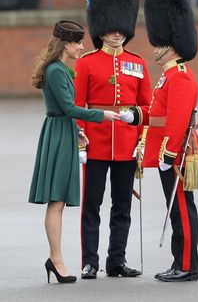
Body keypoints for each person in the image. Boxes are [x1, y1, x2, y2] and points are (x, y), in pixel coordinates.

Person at [120, 0, 198, 282]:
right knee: (177, 211)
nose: (155, 48)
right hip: (167, 151)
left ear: (170, 44)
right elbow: (158, 116)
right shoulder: (169, 75)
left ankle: (186, 266)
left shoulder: (179, 77)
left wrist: (168, 153)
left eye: (158, 44)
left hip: (176, 154)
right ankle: (179, 262)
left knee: (181, 209)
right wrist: (139, 126)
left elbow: (177, 120)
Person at [28, 20, 120, 284]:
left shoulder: (59, 68)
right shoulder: (57, 70)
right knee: (56, 201)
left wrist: (76, 129)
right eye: (78, 43)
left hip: (62, 131)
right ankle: (56, 260)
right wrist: (101, 114)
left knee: (58, 202)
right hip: (58, 134)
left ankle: (54, 258)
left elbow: (63, 109)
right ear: (65, 44)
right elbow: (69, 108)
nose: (81, 47)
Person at [74, 0, 152, 279]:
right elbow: (78, 106)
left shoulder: (138, 63)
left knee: (122, 207)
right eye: (111, 27)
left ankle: (116, 261)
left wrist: (141, 132)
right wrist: (80, 140)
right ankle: (90, 261)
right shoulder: (87, 63)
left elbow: (149, 108)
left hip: (127, 144)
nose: (117, 33)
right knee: (91, 206)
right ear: (101, 27)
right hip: (95, 141)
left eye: (122, 28)